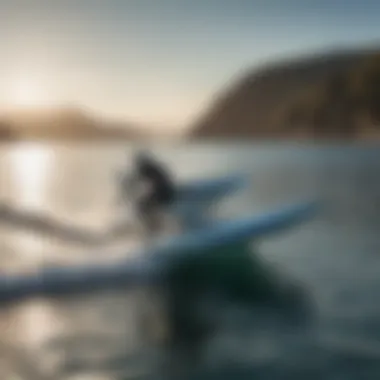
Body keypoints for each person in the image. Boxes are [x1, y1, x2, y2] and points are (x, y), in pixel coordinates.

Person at [122, 151, 177, 236]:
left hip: (165, 195)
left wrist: (128, 182)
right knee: (142, 205)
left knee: (142, 206)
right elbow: (136, 180)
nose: (137, 168)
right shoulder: (151, 168)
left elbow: (160, 186)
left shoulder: (149, 169)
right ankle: (152, 226)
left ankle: (153, 228)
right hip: (162, 193)